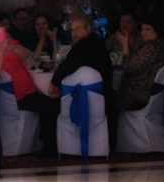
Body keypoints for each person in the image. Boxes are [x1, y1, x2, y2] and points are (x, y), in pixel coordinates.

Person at [0, 17, 58, 156]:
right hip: (14, 98)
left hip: (30, 92)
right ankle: (49, 148)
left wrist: (13, 48)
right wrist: (0, 52)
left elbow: (29, 56)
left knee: (54, 102)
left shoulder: (10, 42)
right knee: (49, 106)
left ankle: (47, 145)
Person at [48, 11, 116, 148]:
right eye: (72, 30)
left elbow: (67, 66)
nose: (74, 33)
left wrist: (53, 83)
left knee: (49, 105)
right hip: (103, 100)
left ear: (88, 29)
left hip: (82, 101)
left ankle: (52, 147)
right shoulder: (99, 44)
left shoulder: (82, 46)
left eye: (78, 29)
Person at [115, 16, 164, 111]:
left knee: (110, 96)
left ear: (157, 30)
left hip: (141, 95)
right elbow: (139, 61)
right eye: (142, 29)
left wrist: (124, 44)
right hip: (156, 94)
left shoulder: (152, 47)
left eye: (148, 29)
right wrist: (131, 46)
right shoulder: (162, 44)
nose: (143, 32)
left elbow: (128, 68)